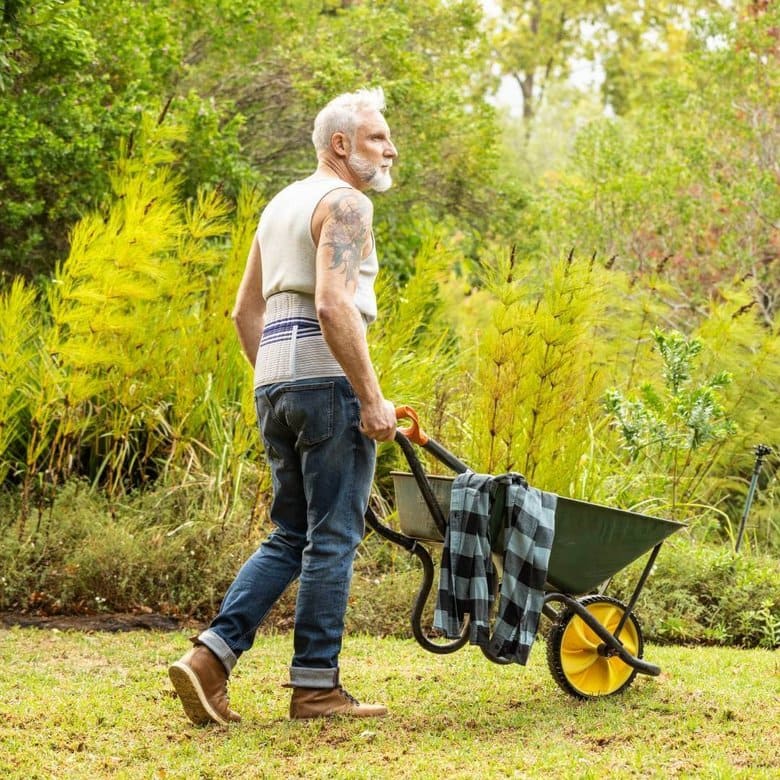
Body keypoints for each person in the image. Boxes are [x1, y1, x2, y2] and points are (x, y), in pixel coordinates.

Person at [168, 87, 399, 724]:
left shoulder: (281, 205)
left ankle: (210, 659)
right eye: (379, 138)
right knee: (333, 536)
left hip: (274, 381)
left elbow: (244, 312)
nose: (391, 149)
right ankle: (316, 688)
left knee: (291, 532)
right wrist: (370, 397)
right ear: (341, 144)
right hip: (326, 383)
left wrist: (280, 382)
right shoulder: (346, 203)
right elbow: (332, 304)